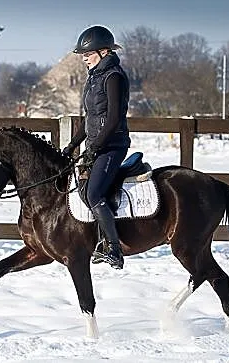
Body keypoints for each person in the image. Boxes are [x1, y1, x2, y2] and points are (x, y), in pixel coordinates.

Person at [62, 25, 131, 270]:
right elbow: (89, 118)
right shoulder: (94, 79)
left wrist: (95, 148)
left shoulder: (114, 77)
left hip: (113, 145)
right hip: (95, 145)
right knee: (80, 189)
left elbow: (112, 119)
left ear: (103, 51)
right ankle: (97, 239)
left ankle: (114, 249)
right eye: (82, 54)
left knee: (93, 194)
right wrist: (72, 144)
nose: (84, 58)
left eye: (87, 54)